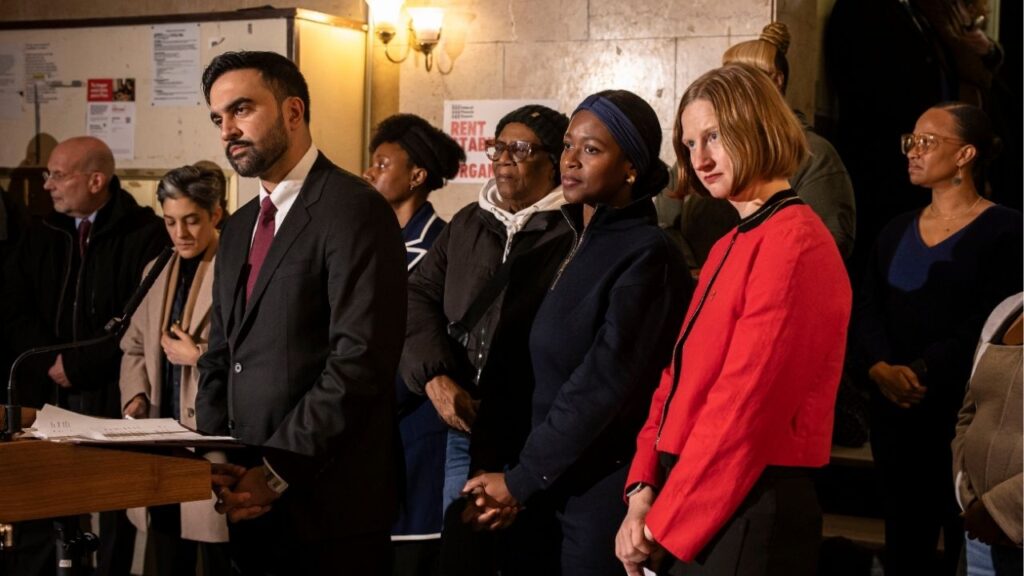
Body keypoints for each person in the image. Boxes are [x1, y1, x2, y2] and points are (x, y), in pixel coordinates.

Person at [615, 64, 852, 576]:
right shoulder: (730, 241)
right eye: (690, 142)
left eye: (715, 136)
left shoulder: (796, 242)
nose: (699, 158)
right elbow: (676, 379)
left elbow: (746, 404)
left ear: (758, 126)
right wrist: (642, 489)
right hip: (693, 490)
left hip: (749, 498)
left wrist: (664, 521)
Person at [193, 51, 407, 575]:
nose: (228, 130)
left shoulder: (353, 209)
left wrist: (276, 470)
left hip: (328, 504)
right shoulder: (241, 225)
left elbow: (359, 361)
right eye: (218, 118)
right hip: (247, 497)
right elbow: (221, 353)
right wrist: (220, 460)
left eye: (242, 109)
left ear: (293, 110)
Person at [463, 90, 692, 575]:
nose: (570, 160)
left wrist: (522, 480)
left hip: (599, 490)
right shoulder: (573, 238)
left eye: (591, 150)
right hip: (548, 480)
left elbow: (602, 387)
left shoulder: (648, 253)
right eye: (568, 145)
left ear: (631, 166)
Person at [399, 104, 573, 575]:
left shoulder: (574, 229)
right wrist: (433, 375)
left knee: (531, 553)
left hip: (538, 429)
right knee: (463, 547)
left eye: (520, 149)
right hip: (468, 426)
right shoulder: (468, 224)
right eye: (497, 147)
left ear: (554, 161)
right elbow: (415, 297)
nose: (502, 158)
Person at [851, 102, 1022, 576]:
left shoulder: (1007, 230)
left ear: (966, 154)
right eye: (911, 141)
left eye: (928, 141)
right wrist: (878, 366)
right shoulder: (893, 230)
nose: (913, 151)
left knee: (969, 553)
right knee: (905, 546)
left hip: (961, 418)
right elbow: (866, 308)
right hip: (895, 414)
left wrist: (922, 371)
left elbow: (994, 322)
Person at [362, 113, 463, 576]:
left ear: (417, 175)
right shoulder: (372, 243)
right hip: (368, 433)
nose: (370, 172)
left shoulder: (442, 246)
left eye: (382, 164)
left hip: (415, 435)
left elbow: (424, 345)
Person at [118, 164, 230, 576]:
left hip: (212, 439)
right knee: (161, 555)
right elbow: (131, 345)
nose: (180, 233)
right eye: (170, 222)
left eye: (191, 221)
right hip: (157, 439)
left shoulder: (237, 270)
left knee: (213, 557)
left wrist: (198, 356)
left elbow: (256, 357)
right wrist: (135, 395)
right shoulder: (155, 269)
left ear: (215, 215)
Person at [723, 21, 856, 259]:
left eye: (745, 80)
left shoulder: (813, 153)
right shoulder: (711, 148)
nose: (734, 91)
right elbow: (668, 216)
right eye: (727, 82)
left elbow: (828, 244)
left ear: (776, 81)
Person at [952, 292, 1023, 576]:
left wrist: (1000, 509)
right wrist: (966, 494)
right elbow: (969, 413)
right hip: (980, 537)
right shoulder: (1007, 310)